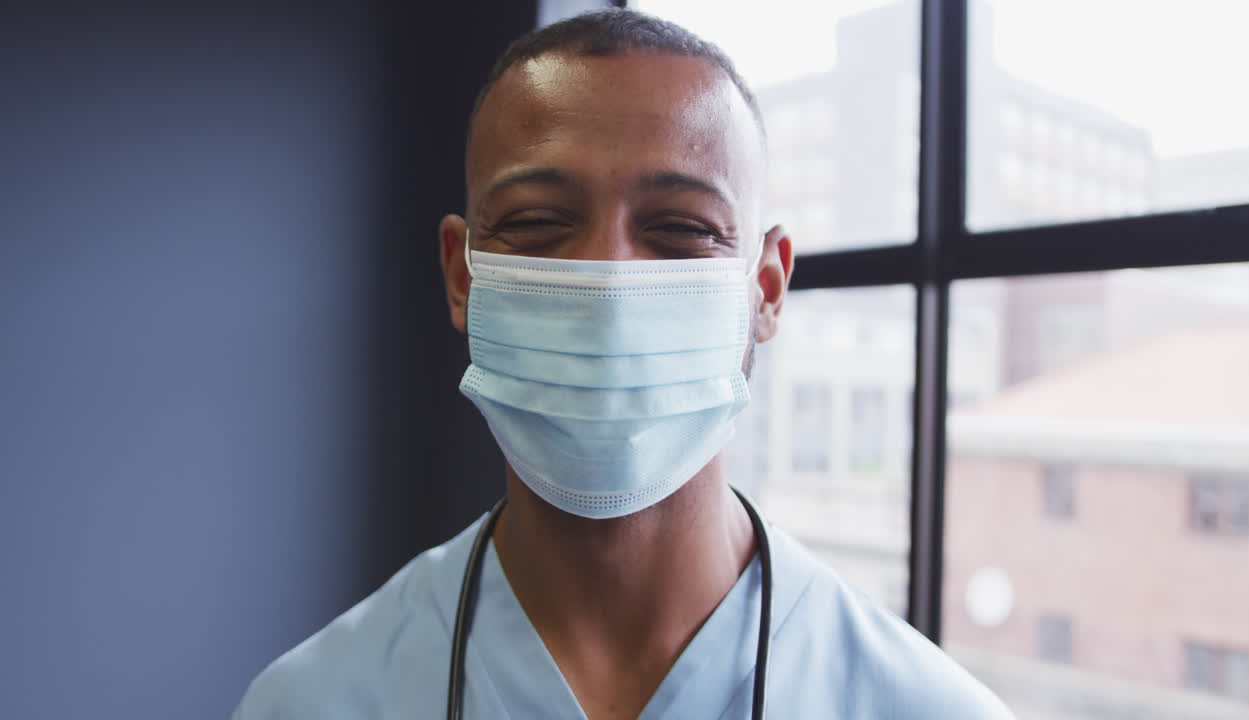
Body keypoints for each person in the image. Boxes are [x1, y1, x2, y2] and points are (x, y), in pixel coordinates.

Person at [233, 9, 1014, 720]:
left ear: (767, 288)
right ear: (461, 276)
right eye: (538, 222)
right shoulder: (312, 703)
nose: (608, 283)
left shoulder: (925, 709)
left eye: (681, 228)